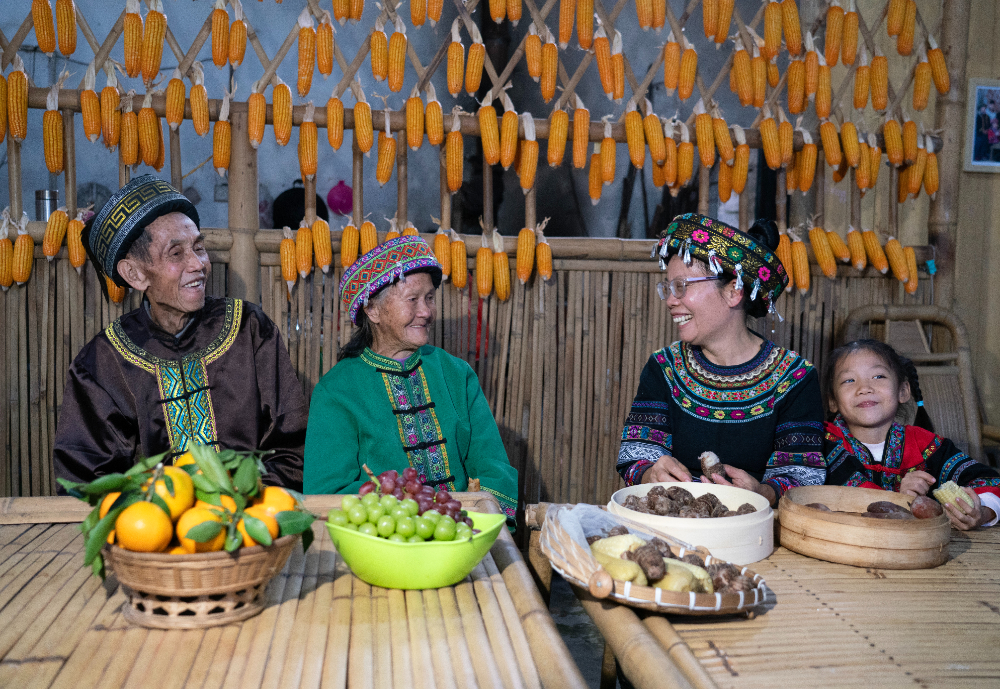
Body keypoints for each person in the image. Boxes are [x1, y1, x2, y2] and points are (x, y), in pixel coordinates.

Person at [54, 175, 307, 490]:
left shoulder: (249, 329)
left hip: (252, 513)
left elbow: (291, 446)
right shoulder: (103, 362)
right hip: (153, 518)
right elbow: (86, 478)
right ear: (134, 274)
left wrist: (243, 501)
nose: (198, 264)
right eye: (176, 253)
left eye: (199, 247)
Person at [303, 236, 518, 522]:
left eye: (429, 298)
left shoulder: (456, 374)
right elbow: (326, 493)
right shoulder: (336, 392)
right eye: (412, 299)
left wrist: (479, 521)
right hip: (383, 538)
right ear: (372, 310)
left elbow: (493, 466)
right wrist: (406, 508)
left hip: (465, 531)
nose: (426, 312)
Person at [616, 213, 825, 507]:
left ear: (733, 291)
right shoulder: (664, 368)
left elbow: (803, 475)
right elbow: (636, 454)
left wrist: (762, 492)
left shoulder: (795, 379)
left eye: (681, 286)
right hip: (675, 519)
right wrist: (651, 472)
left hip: (754, 525)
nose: (671, 300)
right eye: (668, 288)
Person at [823, 339, 1000, 530]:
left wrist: (980, 513)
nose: (864, 388)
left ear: (903, 391)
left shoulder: (926, 446)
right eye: (849, 380)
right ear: (833, 401)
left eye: (878, 376)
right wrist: (899, 500)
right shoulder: (821, 444)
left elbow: (989, 481)